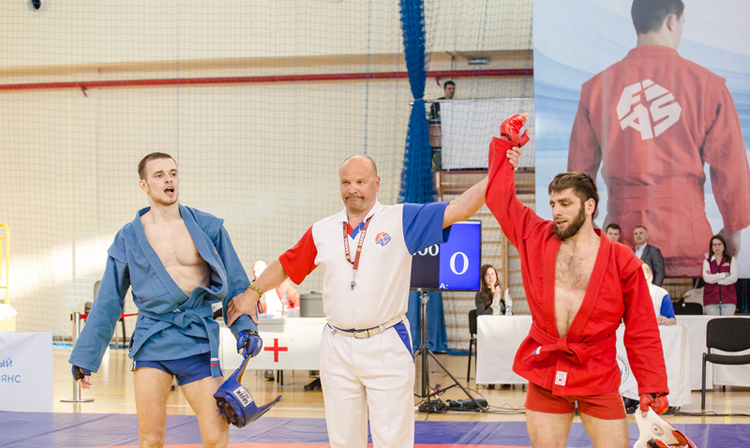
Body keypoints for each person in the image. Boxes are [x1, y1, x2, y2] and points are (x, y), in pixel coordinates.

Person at [226, 153, 489, 448]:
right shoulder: (323, 230)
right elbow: (286, 265)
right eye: (346, 182)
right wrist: (252, 293)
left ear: (376, 183)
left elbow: (460, 208)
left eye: (360, 181)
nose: (353, 189)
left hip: (385, 341)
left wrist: (499, 173)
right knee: (343, 441)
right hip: (336, 346)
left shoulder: (400, 218)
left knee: (393, 441)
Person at [488, 114, 669, 448]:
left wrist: (652, 385)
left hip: (597, 372)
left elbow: (642, 327)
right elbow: (500, 200)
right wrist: (505, 147)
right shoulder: (536, 236)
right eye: (553, 203)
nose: (556, 211)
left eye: (565, 204)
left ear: (589, 206)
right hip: (545, 368)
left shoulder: (621, 260)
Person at [69, 153, 261, 448]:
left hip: (197, 338)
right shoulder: (127, 238)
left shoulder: (208, 226)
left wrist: (245, 326)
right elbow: (108, 301)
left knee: (215, 436)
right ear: (143, 185)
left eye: (173, 173)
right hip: (152, 341)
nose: (169, 179)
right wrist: (86, 357)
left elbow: (236, 283)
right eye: (159, 175)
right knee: (151, 437)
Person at [568, 0, 750, 278]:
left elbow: (577, 178)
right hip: (687, 240)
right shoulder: (708, 86)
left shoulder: (595, 90)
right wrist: (733, 230)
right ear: (672, 21)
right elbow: (731, 168)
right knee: (690, 321)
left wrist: (580, 234)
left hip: (621, 244)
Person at [703, 234, 739, 316]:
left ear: (724, 246)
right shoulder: (707, 262)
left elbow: (734, 278)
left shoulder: (731, 260)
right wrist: (724, 274)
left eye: (719, 244)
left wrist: (715, 279)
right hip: (711, 300)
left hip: (729, 300)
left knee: (727, 326)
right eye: (714, 245)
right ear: (711, 247)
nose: (717, 247)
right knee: (714, 326)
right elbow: (707, 278)